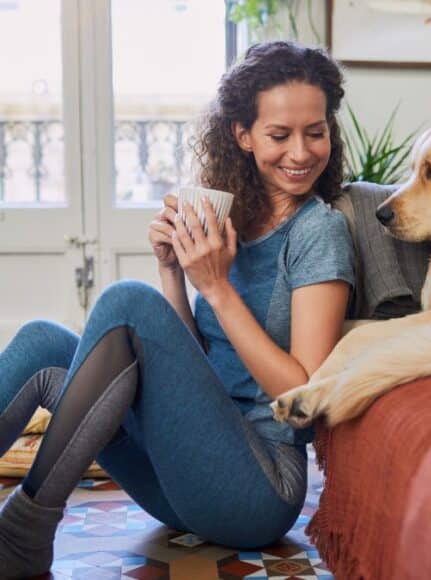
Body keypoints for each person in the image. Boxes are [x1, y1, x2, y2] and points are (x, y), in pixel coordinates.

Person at [0, 40, 355, 577]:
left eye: (316, 131)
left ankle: (25, 530)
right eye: (280, 135)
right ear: (243, 135)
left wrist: (216, 287)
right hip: (183, 476)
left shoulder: (319, 232)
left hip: (256, 490)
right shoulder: (232, 219)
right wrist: (173, 269)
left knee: (126, 303)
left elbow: (301, 397)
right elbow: (196, 372)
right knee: (43, 341)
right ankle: (22, 532)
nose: (301, 152)